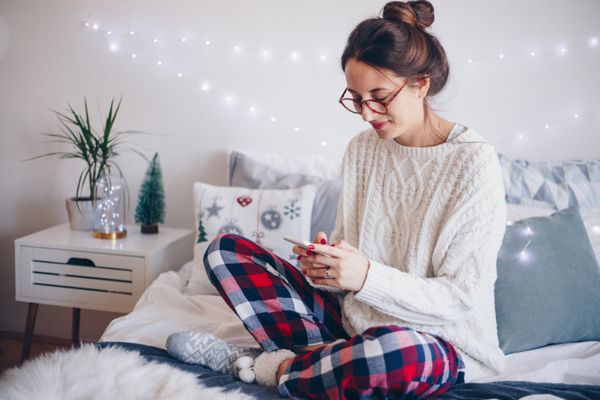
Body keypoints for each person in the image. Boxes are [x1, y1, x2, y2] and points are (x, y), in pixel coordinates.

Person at [166, 1, 507, 398]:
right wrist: (328, 267)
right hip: (351, 324)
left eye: (379, 96)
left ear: (421, 84)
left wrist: (364, 275)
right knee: (224, 252)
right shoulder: (362, 150)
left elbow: (460, 297)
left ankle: (268, 367)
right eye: (357, 98)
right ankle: (326, 359)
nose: (366, 113)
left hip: (438, 343)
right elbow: (353, 261)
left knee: (392, 356)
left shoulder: (473, 163)